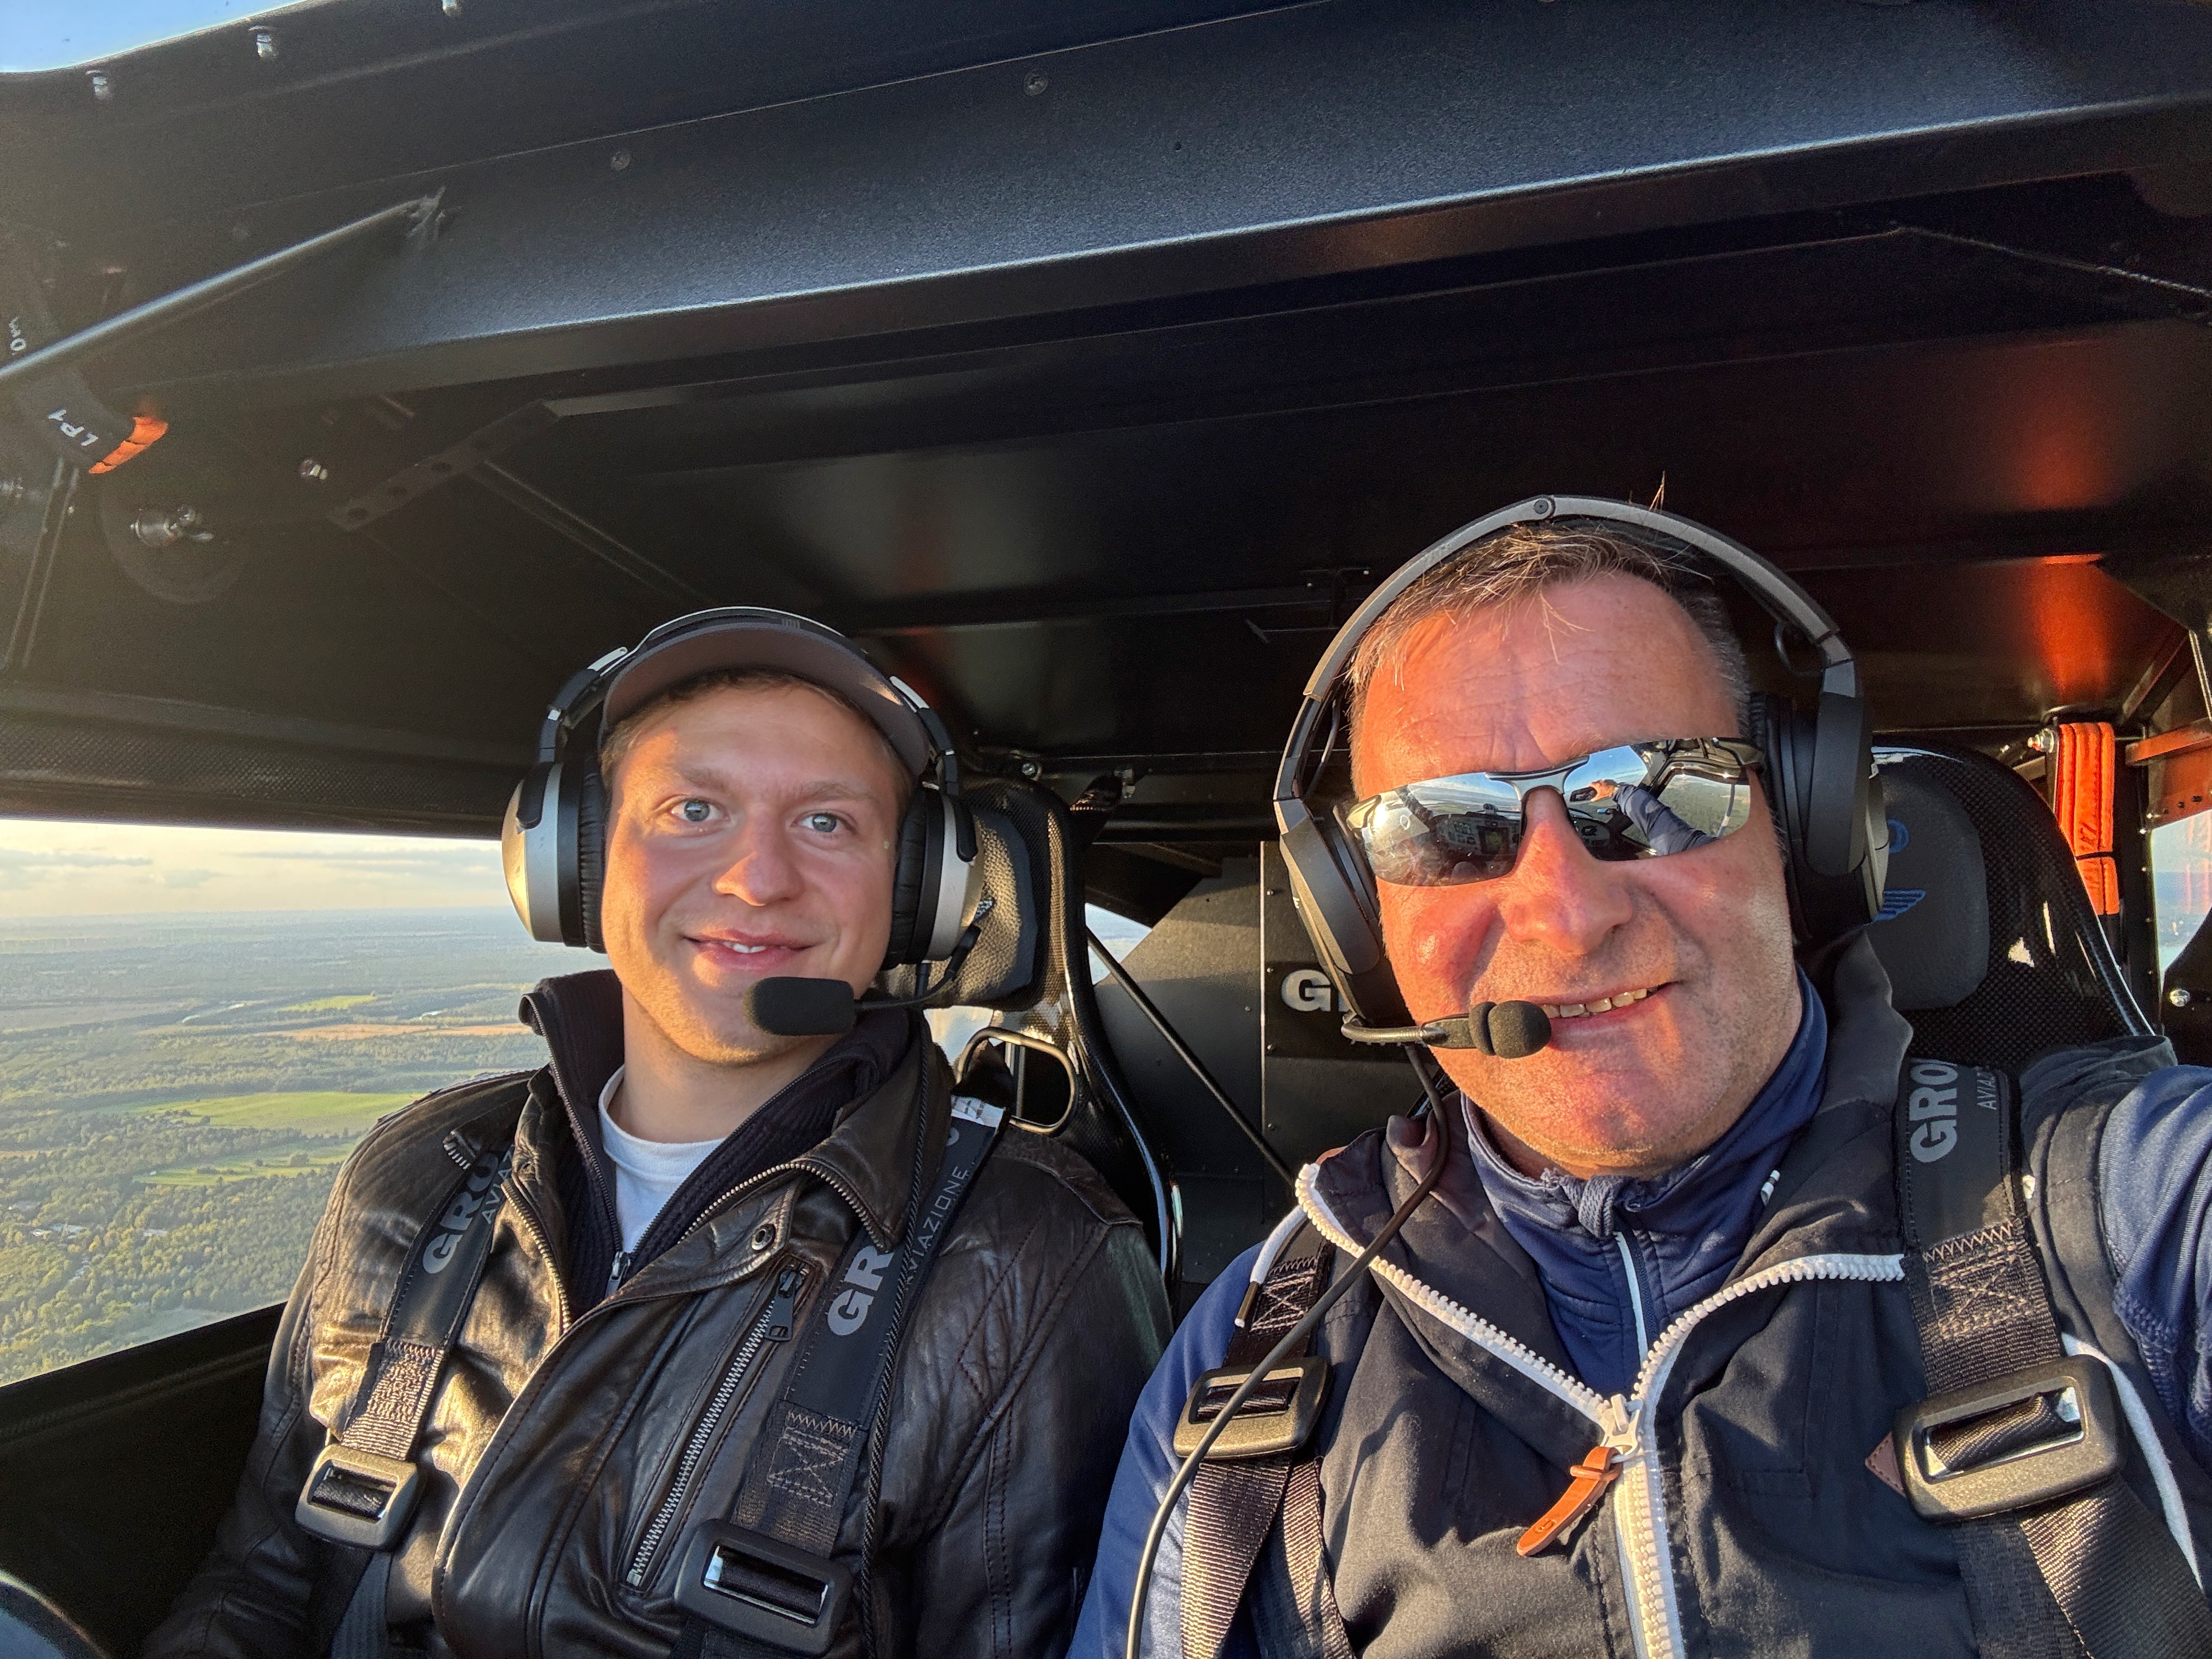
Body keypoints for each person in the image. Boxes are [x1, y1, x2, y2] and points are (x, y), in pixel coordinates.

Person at [1075, 508, 2212, 1657]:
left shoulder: (2130, 1214)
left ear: (1803, 829)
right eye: (1449, 832)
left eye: (1657, 792)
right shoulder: (1260, 1346)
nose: (1567, 916)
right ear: (1364, 924)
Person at [146, 608, 1169, 1659]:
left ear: (918, 894)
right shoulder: (415, 1178)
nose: (758, 877)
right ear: (576, 863)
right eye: (693, 808)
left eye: (828, 823)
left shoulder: (1034, 1263)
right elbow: (262, 1583)